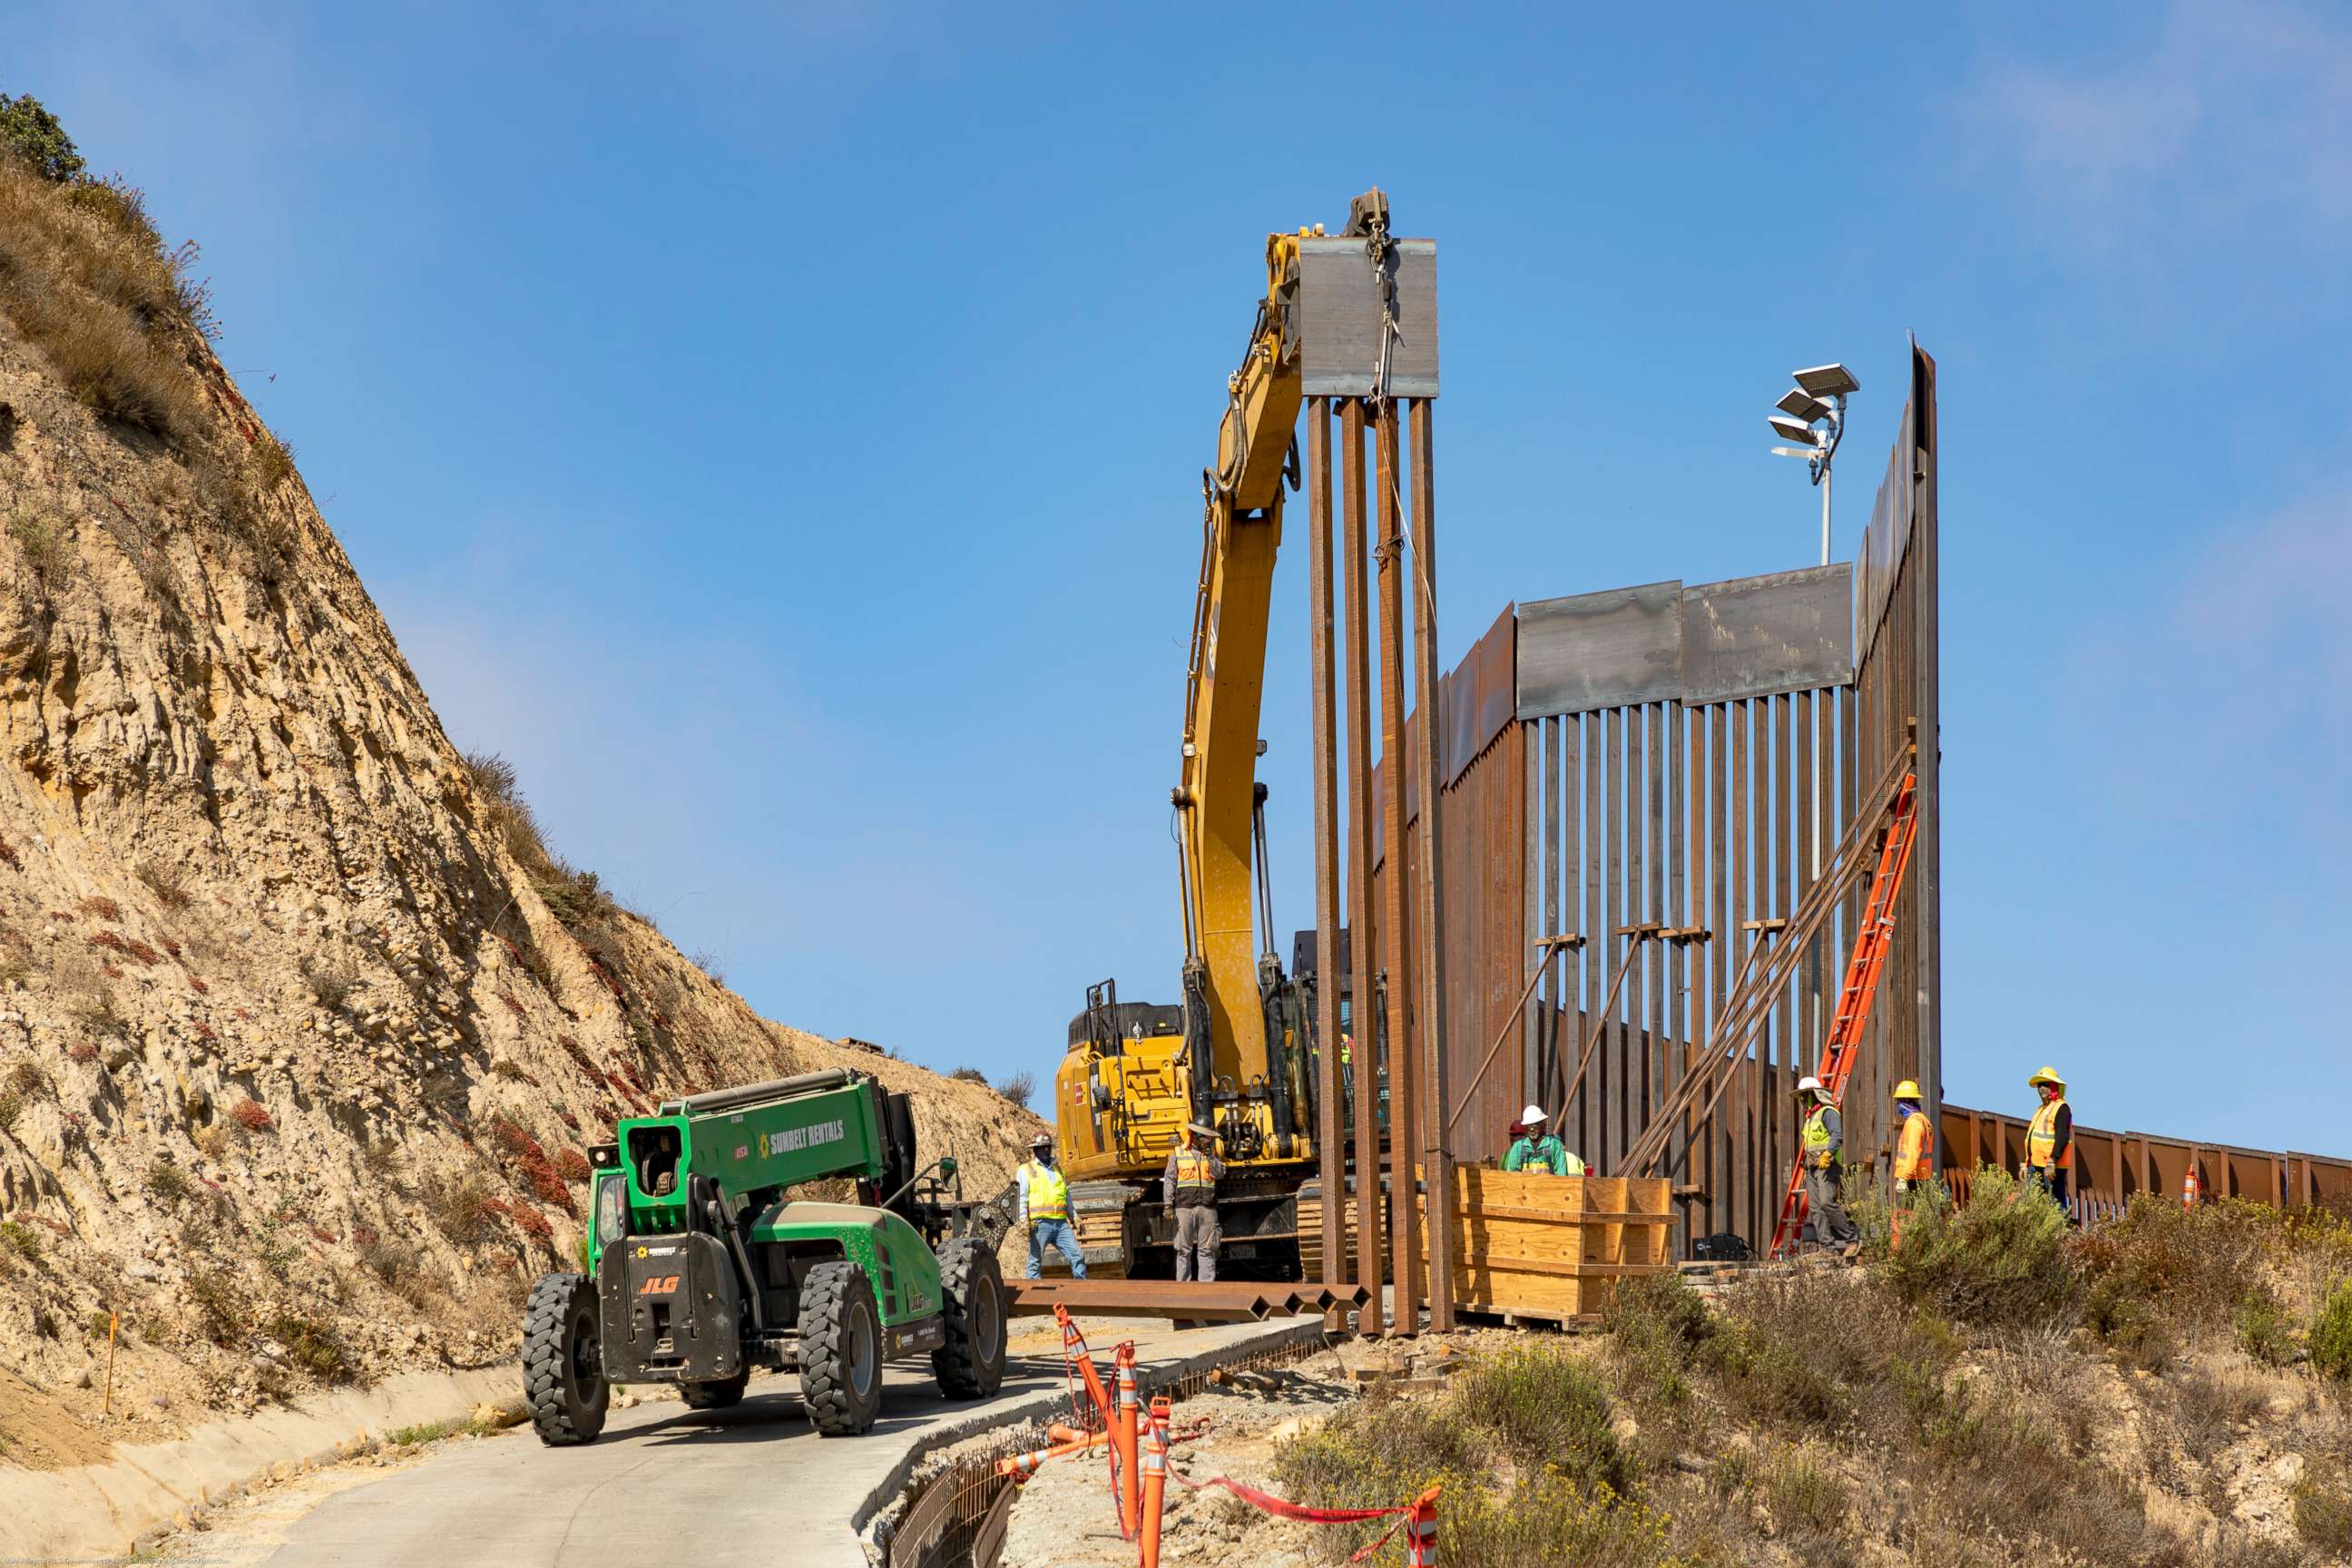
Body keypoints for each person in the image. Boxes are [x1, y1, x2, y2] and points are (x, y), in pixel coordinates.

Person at [1797, 1076, 1860, 1250]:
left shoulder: (1828, 1112)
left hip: (1828, 1165)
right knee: (1816, 1208)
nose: (1802, 1100)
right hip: (1812, 1168)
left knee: (1826, 1202)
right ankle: (1827, 1248)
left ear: (1813, 1095)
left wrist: (1827, 1154)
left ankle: (1851, 1238)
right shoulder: (1811, 1118)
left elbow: (1836, 1135)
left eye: (1804, 1096)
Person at [1163, 1122, 1227, 1282]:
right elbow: (1169, 1181)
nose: (1209, 1141)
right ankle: (1184, 1288)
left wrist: (1211, 1156)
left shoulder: (1212, 1155)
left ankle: (1206, 1289)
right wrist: (1168, 1206)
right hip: (1184, 1209)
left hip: (1207, 1209)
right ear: (1196, 1136)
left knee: (1207, 1250)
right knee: (1184, 1250)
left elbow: (1220, 1173)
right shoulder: (1177, 1154)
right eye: (1206, 1137)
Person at [1018, 1132, 1086, 1279]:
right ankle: (1035, 1296)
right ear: (1035, 1150)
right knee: (1035, 1262)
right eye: (1042, 1147)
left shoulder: (1058, 1170)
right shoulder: (1026, 1170)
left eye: (1048, 1147)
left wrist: (1074, 1216)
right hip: (1040, 1223)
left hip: (1061, 1224)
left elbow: (1066, 1195)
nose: (1046, 1150)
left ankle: (1081, 1289)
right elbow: (1022, 1198)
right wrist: (1023, 1219)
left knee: (1077, 1255)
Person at [2023, 1065, 2073, 1212]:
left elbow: (2062, 1136)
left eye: (2046, 1084)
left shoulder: (2061, 1108)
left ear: (2054, 1086)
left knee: (2056, 1204)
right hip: (2036, 1165)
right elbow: (2033, 1138)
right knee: (2031, 1204)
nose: (2041, 1088)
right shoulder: (2041, 1110)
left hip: (2052, 1166)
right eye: (2040, 1085)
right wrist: (2026, 1163)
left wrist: (2053, 1160)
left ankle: (2062, 1232)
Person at [1502, 1104, 1585, 1175]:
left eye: (1535, 1125)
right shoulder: (1518, 1147)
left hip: (1548, 1192)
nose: (1531, 1129)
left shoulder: (1554, 1144)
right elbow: (1512, 1176)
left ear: (1543, 1125)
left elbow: (1561, 1174)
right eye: (1529, 1125)